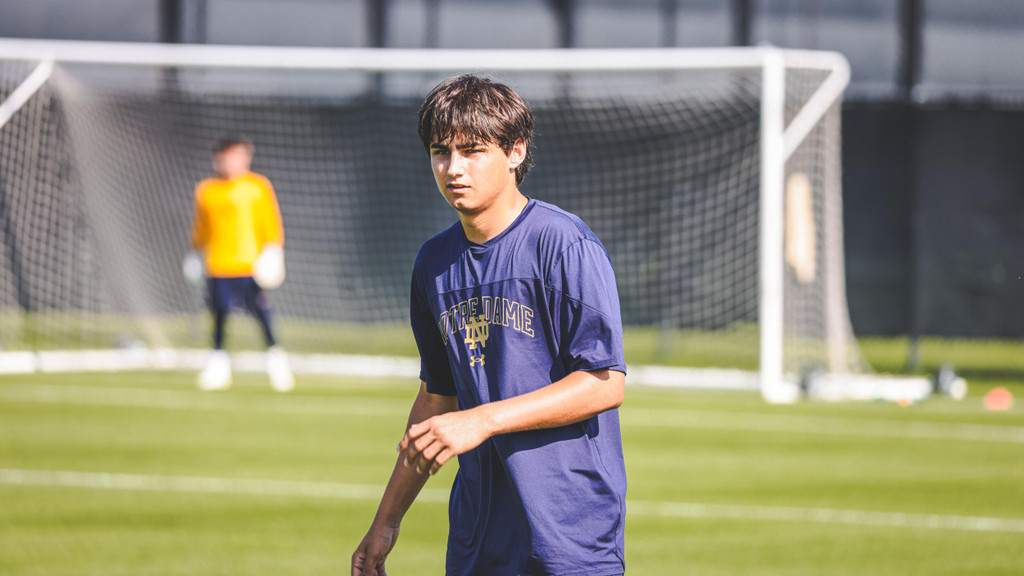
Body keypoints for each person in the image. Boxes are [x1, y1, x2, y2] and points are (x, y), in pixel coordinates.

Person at [352, 75, 627, 576]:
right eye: (440, 152)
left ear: (516, 151)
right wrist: (386, 522)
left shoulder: (563, 245)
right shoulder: (433, 263)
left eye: (472, 150)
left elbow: (604, 384)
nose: (453, 168)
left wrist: (482, 419)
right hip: (476, 537)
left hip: (566, 533)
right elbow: (438, 399)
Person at [188, 136, 294, 393]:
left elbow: (271, 223)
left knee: (261, 314)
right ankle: (218, 366)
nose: (239, 161)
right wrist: (194, 253)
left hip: (250, 266)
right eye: (233, 155)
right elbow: (201, 228)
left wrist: (273, 251)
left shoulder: (257, 186)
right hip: (218, 265)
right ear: (219, 158)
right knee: (220, 315)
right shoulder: (207, 190)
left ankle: (276, 362)